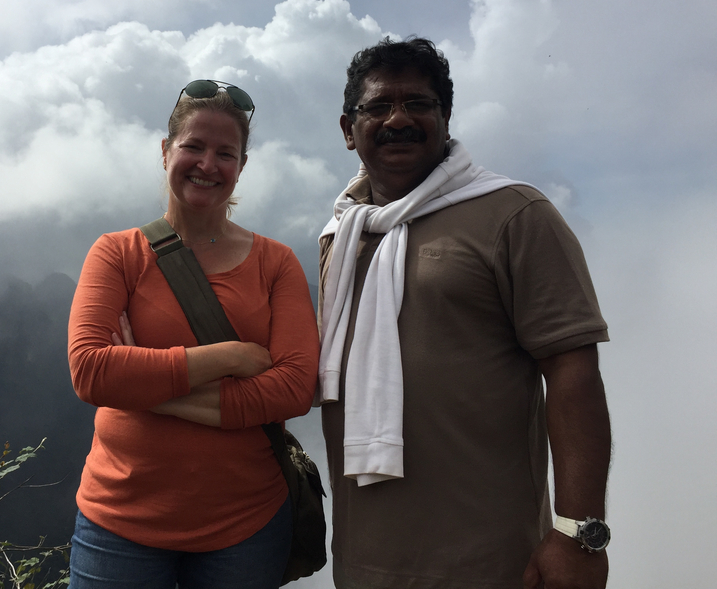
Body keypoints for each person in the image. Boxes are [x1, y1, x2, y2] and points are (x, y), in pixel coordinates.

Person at [318, 37, 612, 589]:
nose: (398, 118)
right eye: (378, 107)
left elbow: (574, 374)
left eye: (418, 104)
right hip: (362, 564)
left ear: (445, 118)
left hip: (492, 562)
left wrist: (580, 534)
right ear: (347, 128)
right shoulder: (342, 234)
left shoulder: (516, 215)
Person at [67, 80, 320, 589]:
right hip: (119, 520)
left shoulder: (276, 263)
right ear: (166, 152)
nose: (208, 164)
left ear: (242, 166)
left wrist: (145, 387)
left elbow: (295, 388)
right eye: (193, 147)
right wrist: (230, 355)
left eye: (226, 153)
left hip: (246, 524)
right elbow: (91, 372)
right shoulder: (116, 253)